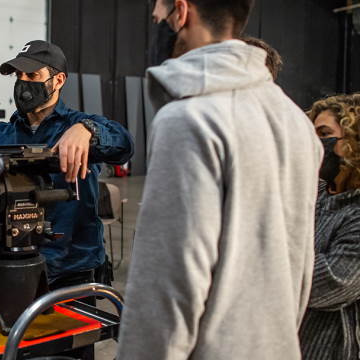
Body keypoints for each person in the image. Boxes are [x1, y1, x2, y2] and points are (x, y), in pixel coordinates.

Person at [118, 0, 322, 359]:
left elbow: (167, 285)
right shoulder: (295, 120)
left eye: (157, 17)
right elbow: (300, 265)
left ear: (180, 12)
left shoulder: (189, 119)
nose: (156, 28)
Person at [0, 40, 134, 287]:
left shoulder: (78, 125)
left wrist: (88, 131)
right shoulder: (2, 135)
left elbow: (125, 145)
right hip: (11, 266)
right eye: (19, 75)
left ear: (58, 80)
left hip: (72, 270)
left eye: (32, 74)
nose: (23, 83)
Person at [299, 95, 360, 360]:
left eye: (324, 134)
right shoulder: (310, 195)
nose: (314, 143)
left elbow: (333, 282)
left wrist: (264, 264)